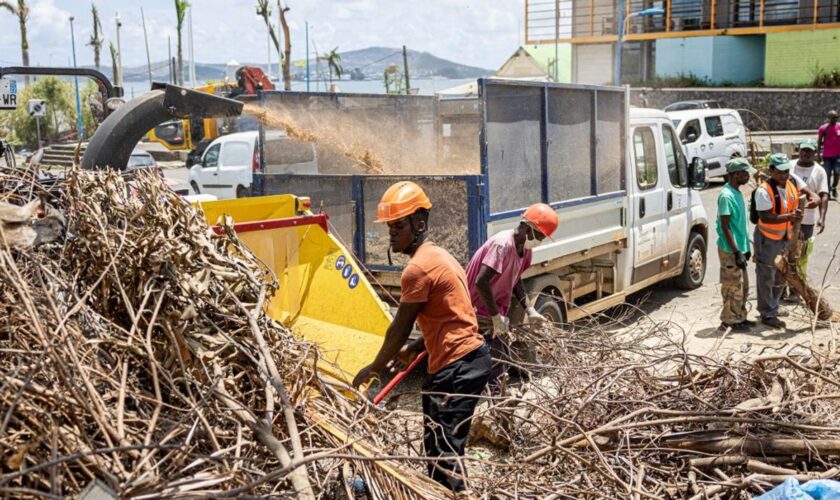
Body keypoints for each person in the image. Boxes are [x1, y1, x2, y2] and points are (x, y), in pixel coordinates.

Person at [352, 181, 490, 492]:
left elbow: (398, 327)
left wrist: (375, 367)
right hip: (463, 361)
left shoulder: (418, 269)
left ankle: (452, 494)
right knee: (438, 443)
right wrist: (416, 347)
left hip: (459, 365)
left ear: (420, 223)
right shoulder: (439, 255)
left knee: (444, 453)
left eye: (398, 225)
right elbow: (450, 318)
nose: (392, 233)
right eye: (390, 227)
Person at [465, 203, 558, 389]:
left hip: (492, 310)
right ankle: (496, 406)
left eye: (542, 238)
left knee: (496, 361)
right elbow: (481, 282)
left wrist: (530, 310)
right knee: (495, 363)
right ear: (526, 227)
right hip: (475, 309)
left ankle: (493, 401)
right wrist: (495, 316)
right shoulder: (502, 245)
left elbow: (515, 279)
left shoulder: (525, 250)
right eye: (538, 235)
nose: (539, 240)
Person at [754, 154, 819, 329]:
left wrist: (812, 201)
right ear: (771, 171)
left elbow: (808, 196)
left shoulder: (791, 185)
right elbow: (765, 217)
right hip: (767, 239)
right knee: (766, 275)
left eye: (786, 171)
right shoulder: (764, 191)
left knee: (781, 275)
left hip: (784, 238)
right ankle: (767, 313)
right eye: (780, 171)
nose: (784, 175)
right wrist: (789, 217)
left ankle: (773, 307)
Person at [716, 158, 755, 333]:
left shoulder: (737, 192)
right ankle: (728, 321)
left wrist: (745, 248)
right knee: (732, 286)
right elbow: (725, 226)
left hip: (739, 248)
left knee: (742, 286)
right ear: (735, 174)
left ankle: (740, 317)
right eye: (745, 173)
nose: (748, 177)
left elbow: (739, 225)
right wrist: (736, 250)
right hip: (730, 250)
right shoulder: (726, 195)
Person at [789, 139, 829, 295]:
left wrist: (822, 218)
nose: (805, 154)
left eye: (809, 151)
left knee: (801, 254)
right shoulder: (790, 166)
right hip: (787, 217)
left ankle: (796, 288)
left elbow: (823, 195)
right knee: (785, 253)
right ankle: (782, 287)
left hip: (807, 220)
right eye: (803, 150)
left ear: (815, 153)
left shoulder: (819, 171)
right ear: (799, 151)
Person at [818, 110, 840, 199]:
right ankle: (828, 191)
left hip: (838, 156)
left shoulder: (839, 127)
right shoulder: (823, 128)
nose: (836, 119)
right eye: (833, 117)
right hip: (827, 156)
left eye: (837, 117)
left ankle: (834, 187)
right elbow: (819, 142)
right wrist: (818, 154)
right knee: (827, 174)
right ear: (829, 118)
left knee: (837, 173)